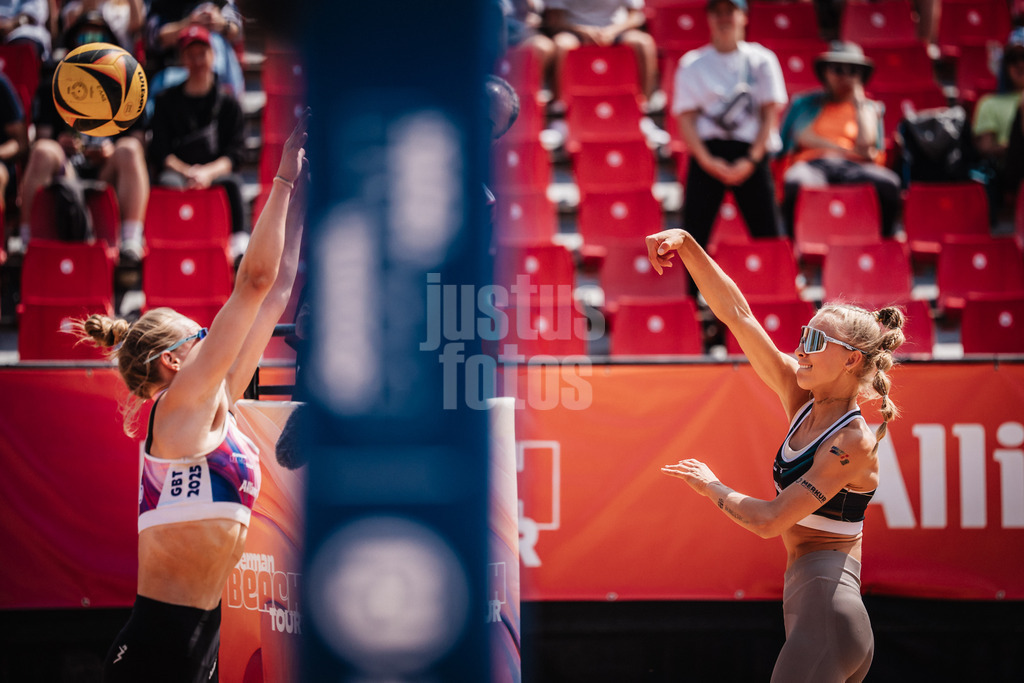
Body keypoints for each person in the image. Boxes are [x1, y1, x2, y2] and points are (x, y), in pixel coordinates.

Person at [76, 112, 307, 683]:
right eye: (201, 335)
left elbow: (275, 289)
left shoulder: (215, 406)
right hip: (157, 648)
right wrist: (278, 179)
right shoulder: (175, 411)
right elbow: (251, 283)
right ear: (174, 361)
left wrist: (305, 189)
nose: (213, 338)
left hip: (196, 645)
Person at [645, 226, 905, 682]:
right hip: (813, 616)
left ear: (850, 361)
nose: (800, 351)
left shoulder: (853, 440)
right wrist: (687, 244)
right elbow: (737, 314)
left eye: (814, 343)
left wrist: (711, 486)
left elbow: (769, 521)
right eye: (804, 336)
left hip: (828, 620)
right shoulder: (802, 396)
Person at [15, 16, 149, 258]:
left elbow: (139, 141)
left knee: (129, 149)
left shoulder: (129, 87)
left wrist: (110, 150)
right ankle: (27, 241)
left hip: (107, 171)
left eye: (100, 38)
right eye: (85, 38)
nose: (92, 43)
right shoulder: (51, 86)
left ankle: (131, 240)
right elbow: (41, 138)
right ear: (71, 45)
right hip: (66, 171)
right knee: (44, 149)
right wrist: (60, 145)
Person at [672, 0, 788, 252]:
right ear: (709, 18)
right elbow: (686, 119)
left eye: (730, 12)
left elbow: (770, 115)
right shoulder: (692, 63)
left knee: (768, 236)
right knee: (692, 239)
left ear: (743, 16)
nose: (724, 19)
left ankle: (773, 289)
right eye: (717, 12)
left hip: (752, 154)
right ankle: (691, 292)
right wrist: (707, 161)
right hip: (708, 155)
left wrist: (751, 160)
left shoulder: (763, 59)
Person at [778, 42, 902, 238]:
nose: (844, 76)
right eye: (837, 69)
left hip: (855, 168)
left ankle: (882, 243)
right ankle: (795, 246)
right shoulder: (805, 103)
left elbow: (868, 145)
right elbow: (801, 136)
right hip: (813, 164)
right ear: (825, 72)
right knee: (795, 181)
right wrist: (846, 150)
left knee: (889, 184)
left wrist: (860, 102)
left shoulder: (870, 108)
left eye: (853, 70)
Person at [148, 24, 247, 255]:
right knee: (167, 184)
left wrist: (207, 173)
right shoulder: (165, 101)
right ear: (183, 59)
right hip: (179, 172)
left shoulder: (229, 104)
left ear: (212, 56)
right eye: (190, 55)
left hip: (215, 171)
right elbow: (160, 151)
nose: (197, 61)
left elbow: (236, 153)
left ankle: (238, 250)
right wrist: (188, 172)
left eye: (202, 54)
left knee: (232, 184)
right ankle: (167, 248)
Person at [543, 0, 660, 111]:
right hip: (574, 32)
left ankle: (644, 107)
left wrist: (612, 31)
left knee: (644, 43)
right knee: (561, 45)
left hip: (617, 31)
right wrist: (582, 31)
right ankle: (558, 108)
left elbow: (636, 17)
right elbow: (555, 20)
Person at [972, 28, 1024, 224]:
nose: (1020, 64)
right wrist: (1010, 148)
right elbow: (985, 147)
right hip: (1009, 168)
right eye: (1013, 59)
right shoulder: (989, 103)